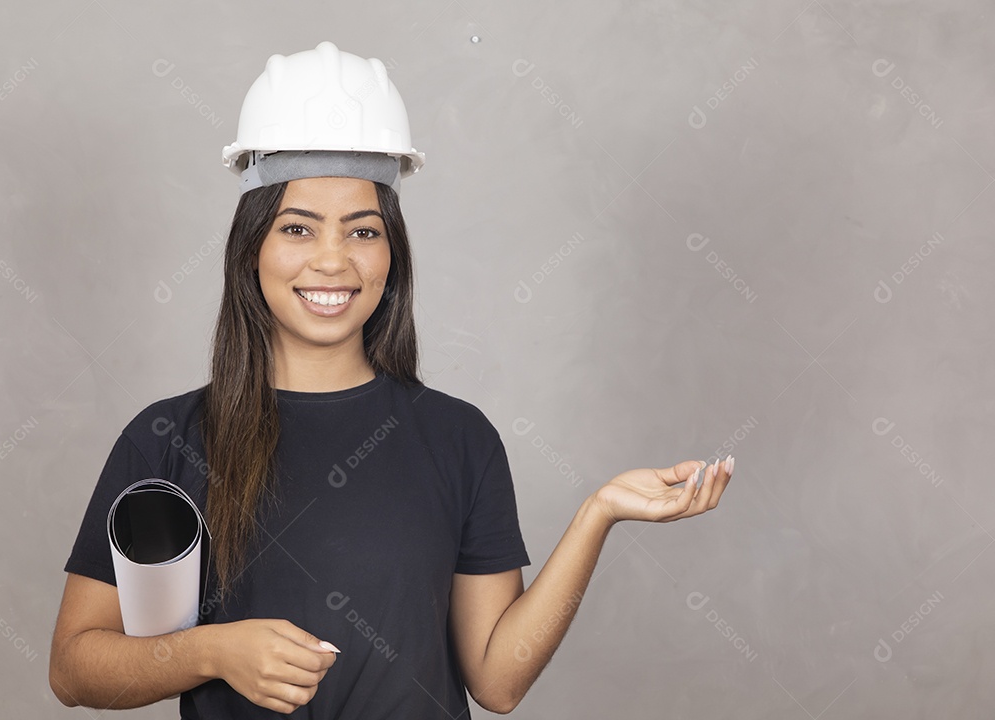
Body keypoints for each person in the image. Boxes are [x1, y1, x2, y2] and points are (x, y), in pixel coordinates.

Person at [48, 41, 733, 719]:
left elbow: (497, 683)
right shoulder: (170, 441)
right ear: (250, 247)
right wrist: (211, 653)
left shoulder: (458, 438)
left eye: (363, 232)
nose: (332, 261)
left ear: (391, 255)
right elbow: (75, 669)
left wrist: (599, 513)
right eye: (297, 227)